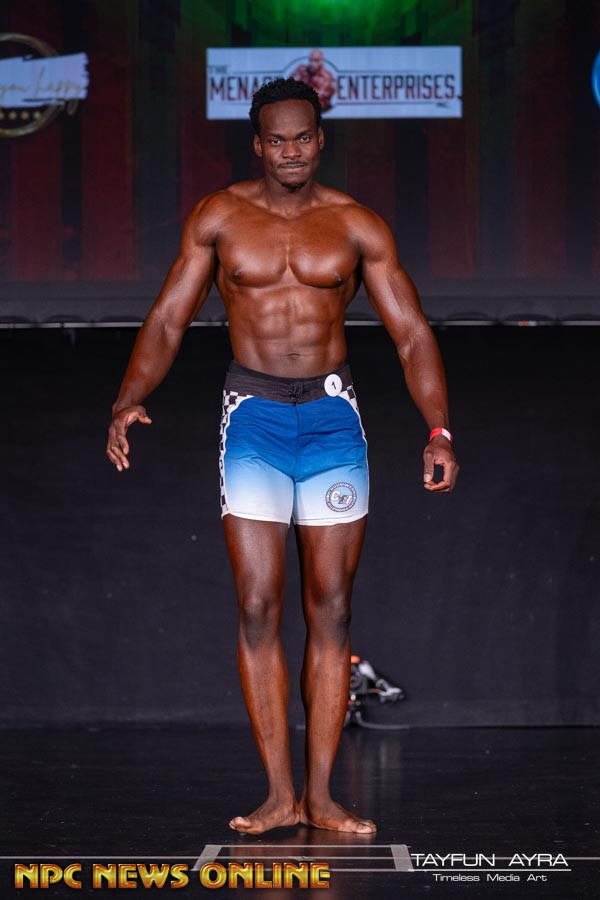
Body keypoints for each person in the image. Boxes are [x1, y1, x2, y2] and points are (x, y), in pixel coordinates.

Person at [106, 77, 459, 836]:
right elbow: (168, 319)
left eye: (303, 138)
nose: (291, 151)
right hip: (255, 418)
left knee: (330, 608)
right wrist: (128, 398)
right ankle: (277, 795)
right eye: (277, 140)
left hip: (332, 419)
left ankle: (323, 796)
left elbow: (411, 334)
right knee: (259, 604)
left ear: (320, 140)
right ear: (258, 145)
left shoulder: (356, 225)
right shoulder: (220, 218)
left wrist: (439, 430)